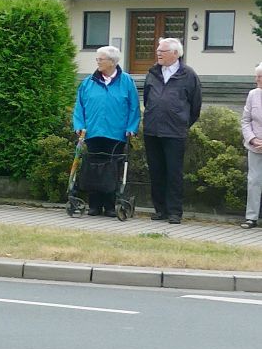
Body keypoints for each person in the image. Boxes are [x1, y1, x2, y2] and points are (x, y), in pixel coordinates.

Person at [72, 45, 140, 217]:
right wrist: (79, 124)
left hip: (116, 134)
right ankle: (94, 205)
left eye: (100, 59)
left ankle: (110, 206)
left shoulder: (127, 81)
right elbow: (79, 106)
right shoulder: (88, 82)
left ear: (112, 62)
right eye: (97, 59)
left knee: (112, 170)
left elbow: (134, 107)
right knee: (93, 169)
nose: (98, 62)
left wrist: (132, 127)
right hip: (93, 132)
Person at [142, 37, 202, 223]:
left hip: (175, 132)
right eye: (158, 50)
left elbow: (195, 106)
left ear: (175, 53)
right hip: (152, 130)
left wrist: (182, 123)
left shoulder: (189, 75)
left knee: (174, 173)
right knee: (156, 171)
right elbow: (147, 99)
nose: (158, 54)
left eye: (163, 51)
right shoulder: (153, 72)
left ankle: (174, 212)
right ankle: (160, 210)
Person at [243, 64, 262, 229]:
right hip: (255, 146)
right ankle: (251, 217)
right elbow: (245, 120)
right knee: (254, 181)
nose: (257, 79)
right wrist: (252, 139)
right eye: (257, 76)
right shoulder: (253, 95)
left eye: (260, 77)